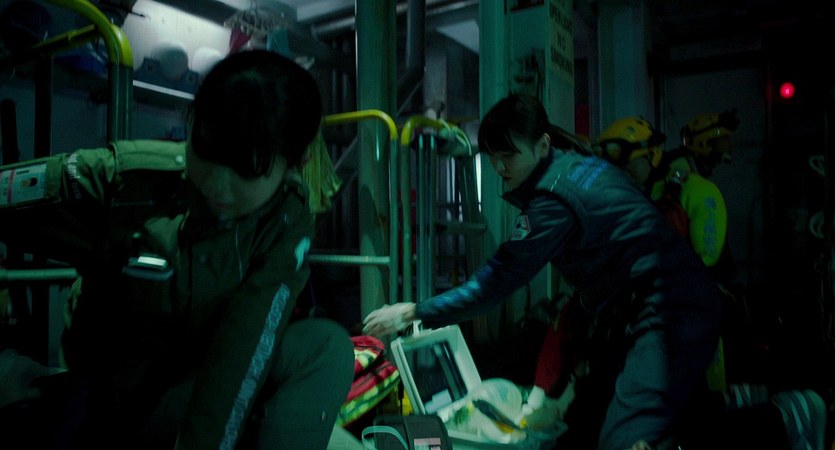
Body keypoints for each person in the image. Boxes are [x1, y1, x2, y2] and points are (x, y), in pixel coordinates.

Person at [0, 49, 354, 450]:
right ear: (192, 123)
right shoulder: (126, 182)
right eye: (206, 149)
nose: (217, 184)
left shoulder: (284, 222)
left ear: (294, 164)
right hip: (114, 396)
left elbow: (242, 351)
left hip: (192, 388)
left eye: (247, 170)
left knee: (324, 347)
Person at [363, 93, 723, 450]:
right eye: (492, 156)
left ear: (542, 145)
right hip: (659, 304)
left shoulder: (552, 199)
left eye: (508, 155)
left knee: (624, 439)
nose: (499, 167)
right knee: (597, 413)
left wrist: (412, 311)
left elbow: (494, 283)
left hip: (669, 312)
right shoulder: (577, 164)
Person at [595, 114, 828, 450]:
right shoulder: (642, 199)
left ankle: (791, 415)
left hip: (692, 323)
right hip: (660, 328)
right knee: (685, 419)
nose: (622, 174)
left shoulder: (697, 194)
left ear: (651, 156)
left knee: (694, 427)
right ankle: (774, 411)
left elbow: (702, 263)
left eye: (628, 165)